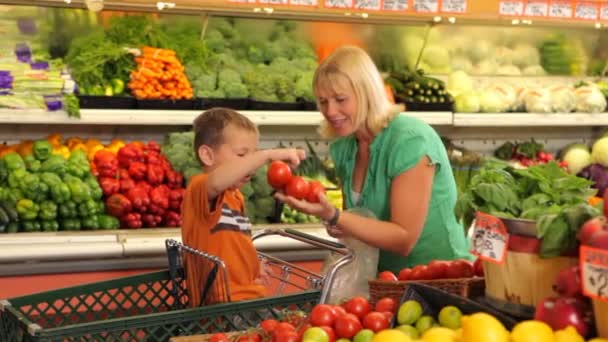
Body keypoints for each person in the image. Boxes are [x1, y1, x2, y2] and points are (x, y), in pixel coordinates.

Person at [275, 46, 471, 275]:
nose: (330, 110)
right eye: (323, 101)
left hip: (440, 278)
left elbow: (403, 239)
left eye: (340, 99)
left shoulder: (410, 140)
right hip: (385, 280)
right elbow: (360, 222)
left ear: (367, 93)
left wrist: (336, 216)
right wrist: (340, 225)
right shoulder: (345, 148)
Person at [181, 107, 305, 307]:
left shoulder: (235, 196)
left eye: (253, 155)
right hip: (223, 303)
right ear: (207, 155)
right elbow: (216, 182)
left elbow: (232, 243)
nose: (251, 164)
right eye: (242, 155)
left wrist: (253, 265)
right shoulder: (200, 189)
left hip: (247, 297)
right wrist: (267, 155)